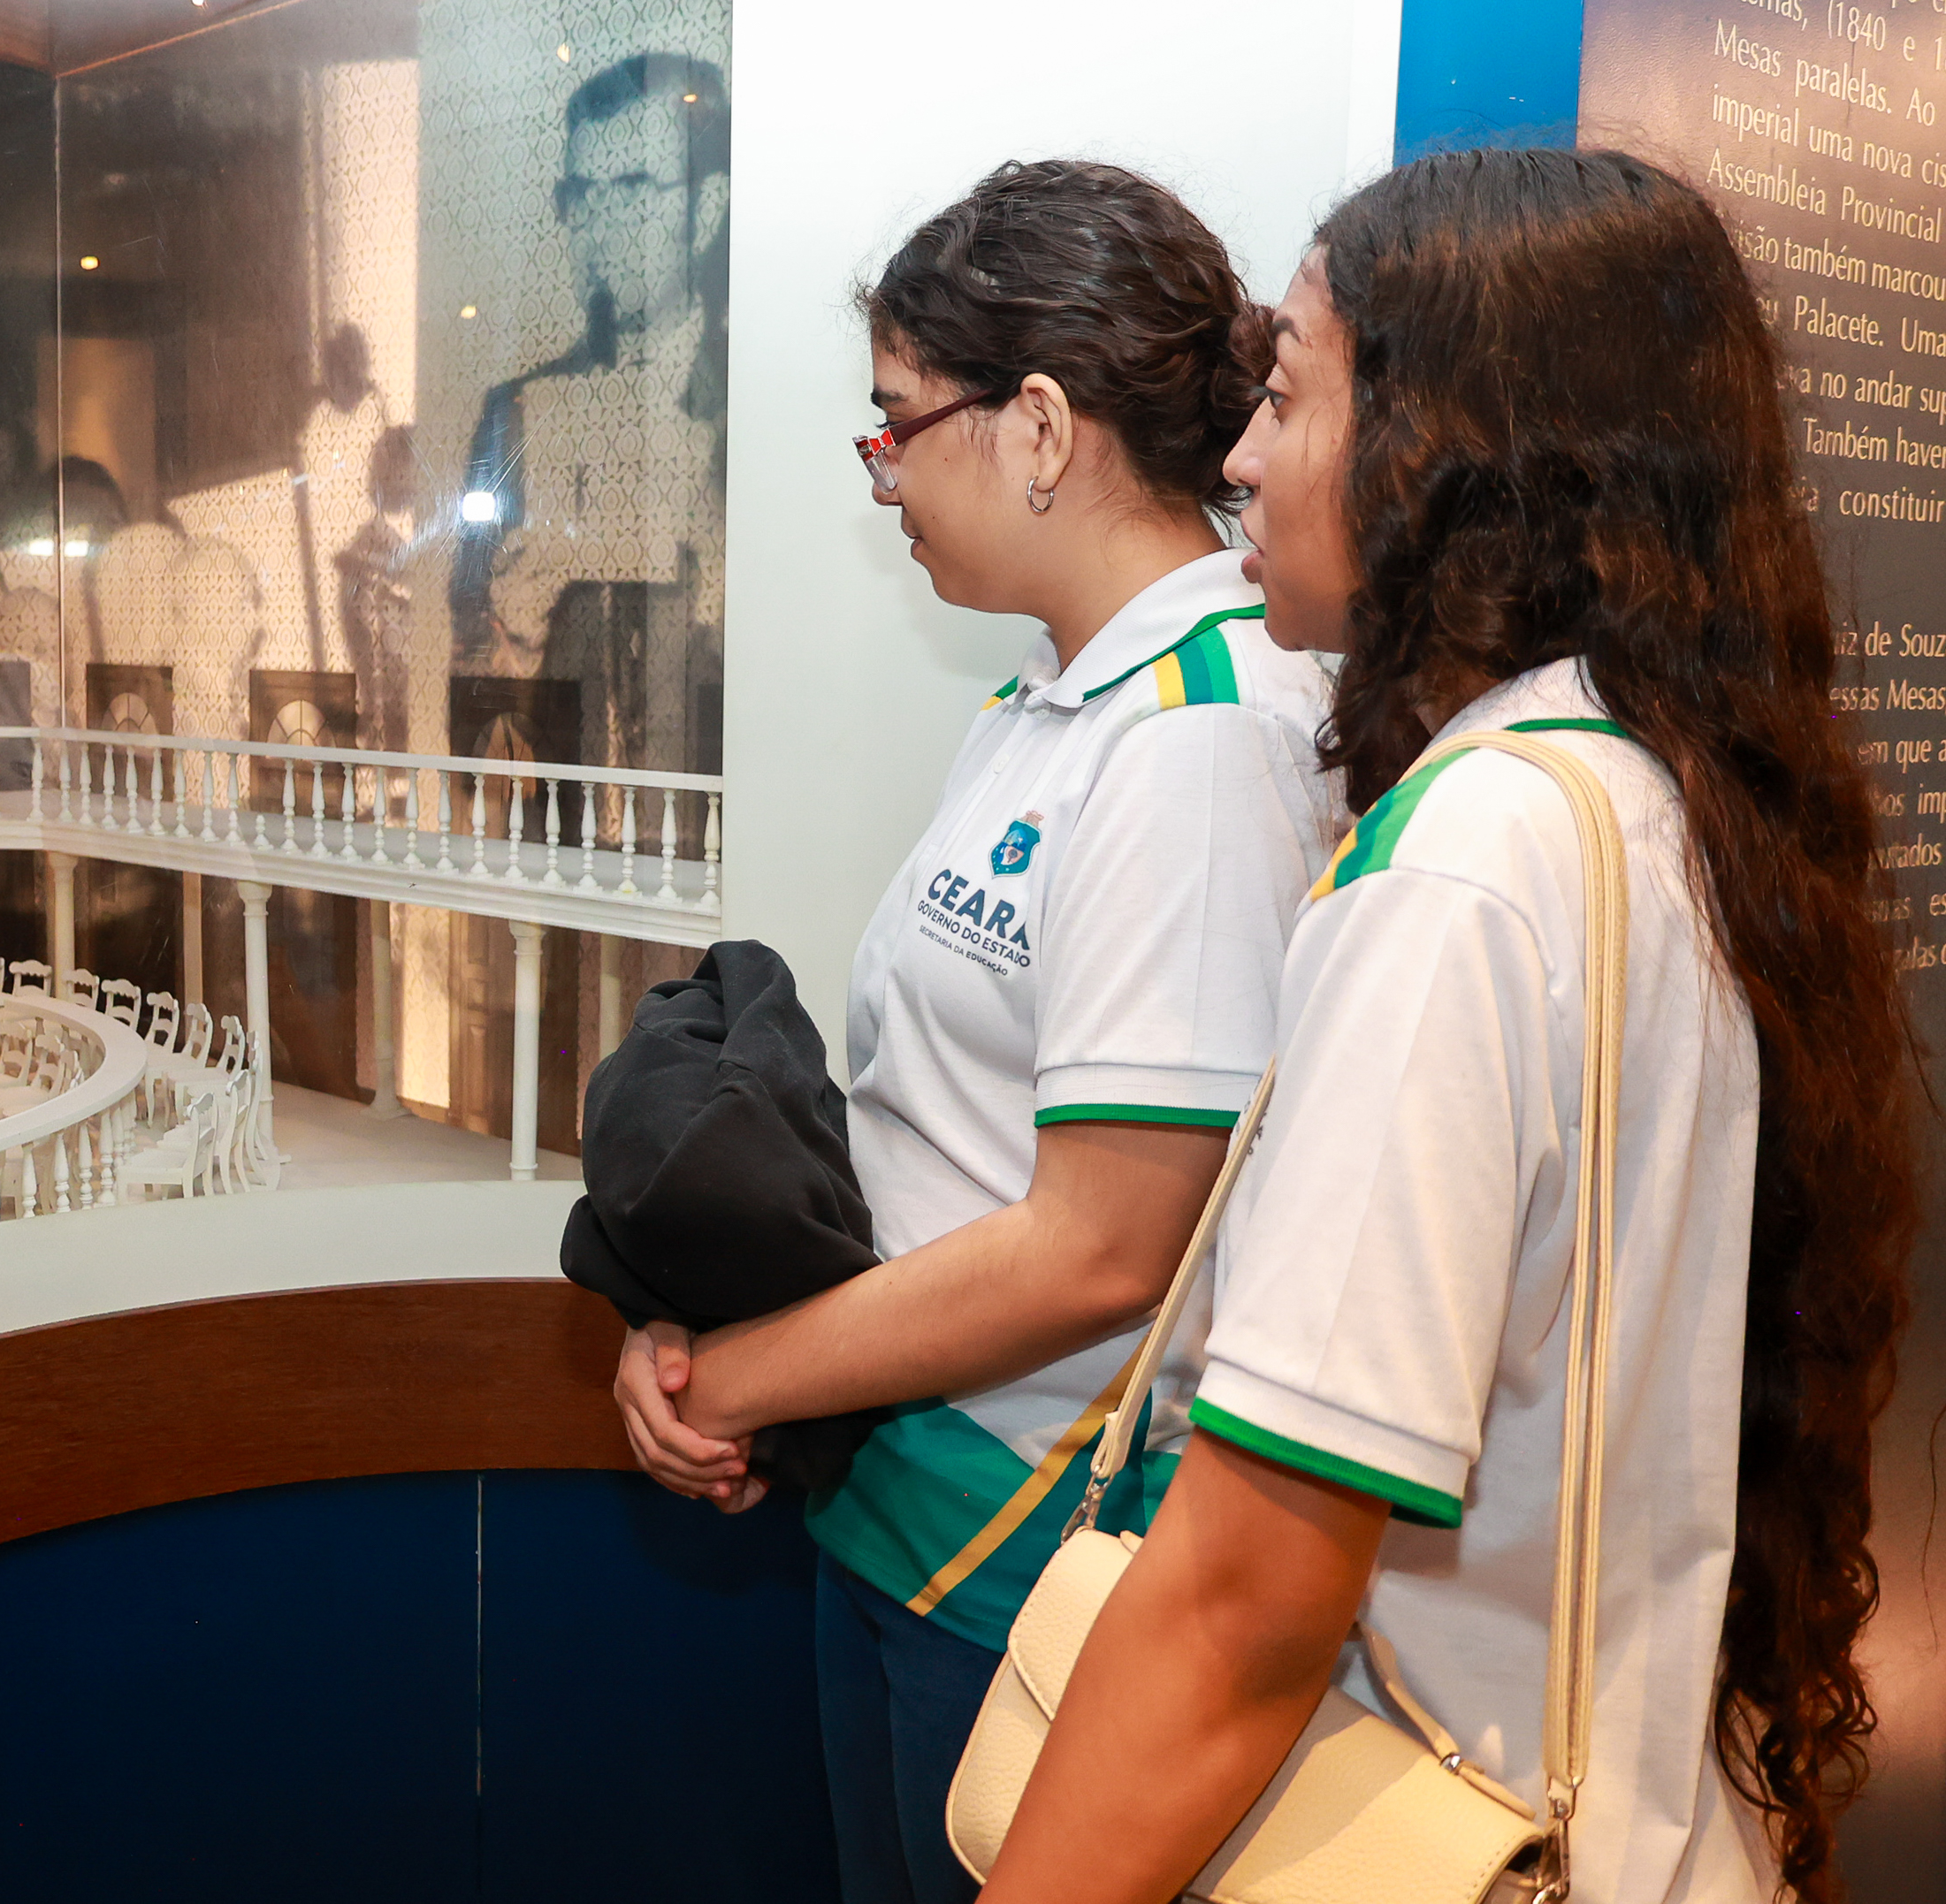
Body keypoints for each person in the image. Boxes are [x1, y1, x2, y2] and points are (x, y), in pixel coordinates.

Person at [975, 150, 1920, 1904]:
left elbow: (1246, 1598)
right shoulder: (1655, 799)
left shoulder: (1460, 863)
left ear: (1452, 449)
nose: (1240, 457)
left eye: (1286, 395)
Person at [610, 160, 1339, 1904]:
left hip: (1034, 1550)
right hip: (901, 1488)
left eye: (896, 425)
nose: (884, 479)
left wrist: (733, 1382)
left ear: (1039, 427)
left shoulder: (1201, 733)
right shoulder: (1048, 699)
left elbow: (1106, 1245)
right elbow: (942, 1125)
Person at [448, 50, 730, 774]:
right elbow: (469, 658)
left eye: (633, 191)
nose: (601, 228)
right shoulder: (514, 412)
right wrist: (512, 633)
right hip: (561, 812)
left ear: (706, 210)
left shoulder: (748, 413)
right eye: (582, 198)